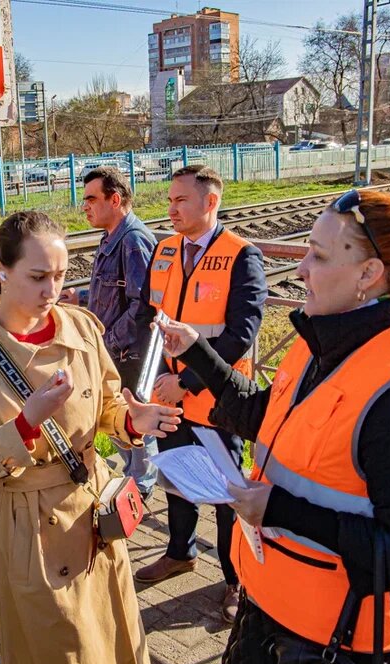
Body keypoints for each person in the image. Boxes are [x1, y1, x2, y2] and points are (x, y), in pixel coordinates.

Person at [155, 188, 390, 664]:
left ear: (368, 274)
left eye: (318, 255)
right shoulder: (322, 339)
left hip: (338, 644)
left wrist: (279, 511)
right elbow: (261, 416)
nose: (300, 269)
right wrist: (196, 354)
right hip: (272, 604)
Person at [0, 211, 183, 664]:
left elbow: (110, 404)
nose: (53, 290)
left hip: (94, 518)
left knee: (109, 651)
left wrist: (133, 421)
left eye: (62, 275)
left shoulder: (83, 328)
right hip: (29, 534)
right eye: (38, 276)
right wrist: (25, 424)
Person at [133, 165, 268, 624]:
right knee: (177, 481)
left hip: (218, 403)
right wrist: (151, 381)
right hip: (167, 399)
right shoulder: (165, 249)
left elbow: (239, 337)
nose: (171, 209)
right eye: (169, 200)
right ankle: (180, 553)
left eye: (180, 201)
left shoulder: (241, 255)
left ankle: (237, 581)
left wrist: (185, 382)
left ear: (210, 203)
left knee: (229, 496)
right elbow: (151, 317)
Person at [60, 166, 159, 498]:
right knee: (118, 418)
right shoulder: (112, 236)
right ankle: (134, 482)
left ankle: (140, 492)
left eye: (91, 199)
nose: (84, 206)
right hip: (114, 350)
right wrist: (82, 297)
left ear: (114, 199)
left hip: (129, 353)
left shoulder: (133, 240)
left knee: (133, 417)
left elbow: (142, 306)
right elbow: (115, 290)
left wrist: (107, 342)